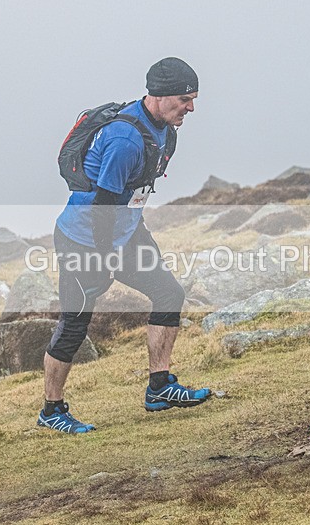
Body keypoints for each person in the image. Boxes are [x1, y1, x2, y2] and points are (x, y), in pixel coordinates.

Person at [38, 57, 211, 434]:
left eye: (194, 98)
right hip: (85, 240)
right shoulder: (124, 139)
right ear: (161, 96)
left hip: (125, 233)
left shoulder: (166, 130)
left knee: (169, 294)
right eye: (185, 99)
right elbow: (103, 206)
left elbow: (135, 192)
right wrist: (106, 256)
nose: (191, 108)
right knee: (75, 324)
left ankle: (160, 388)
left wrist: (134, 235)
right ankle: (52, 410)